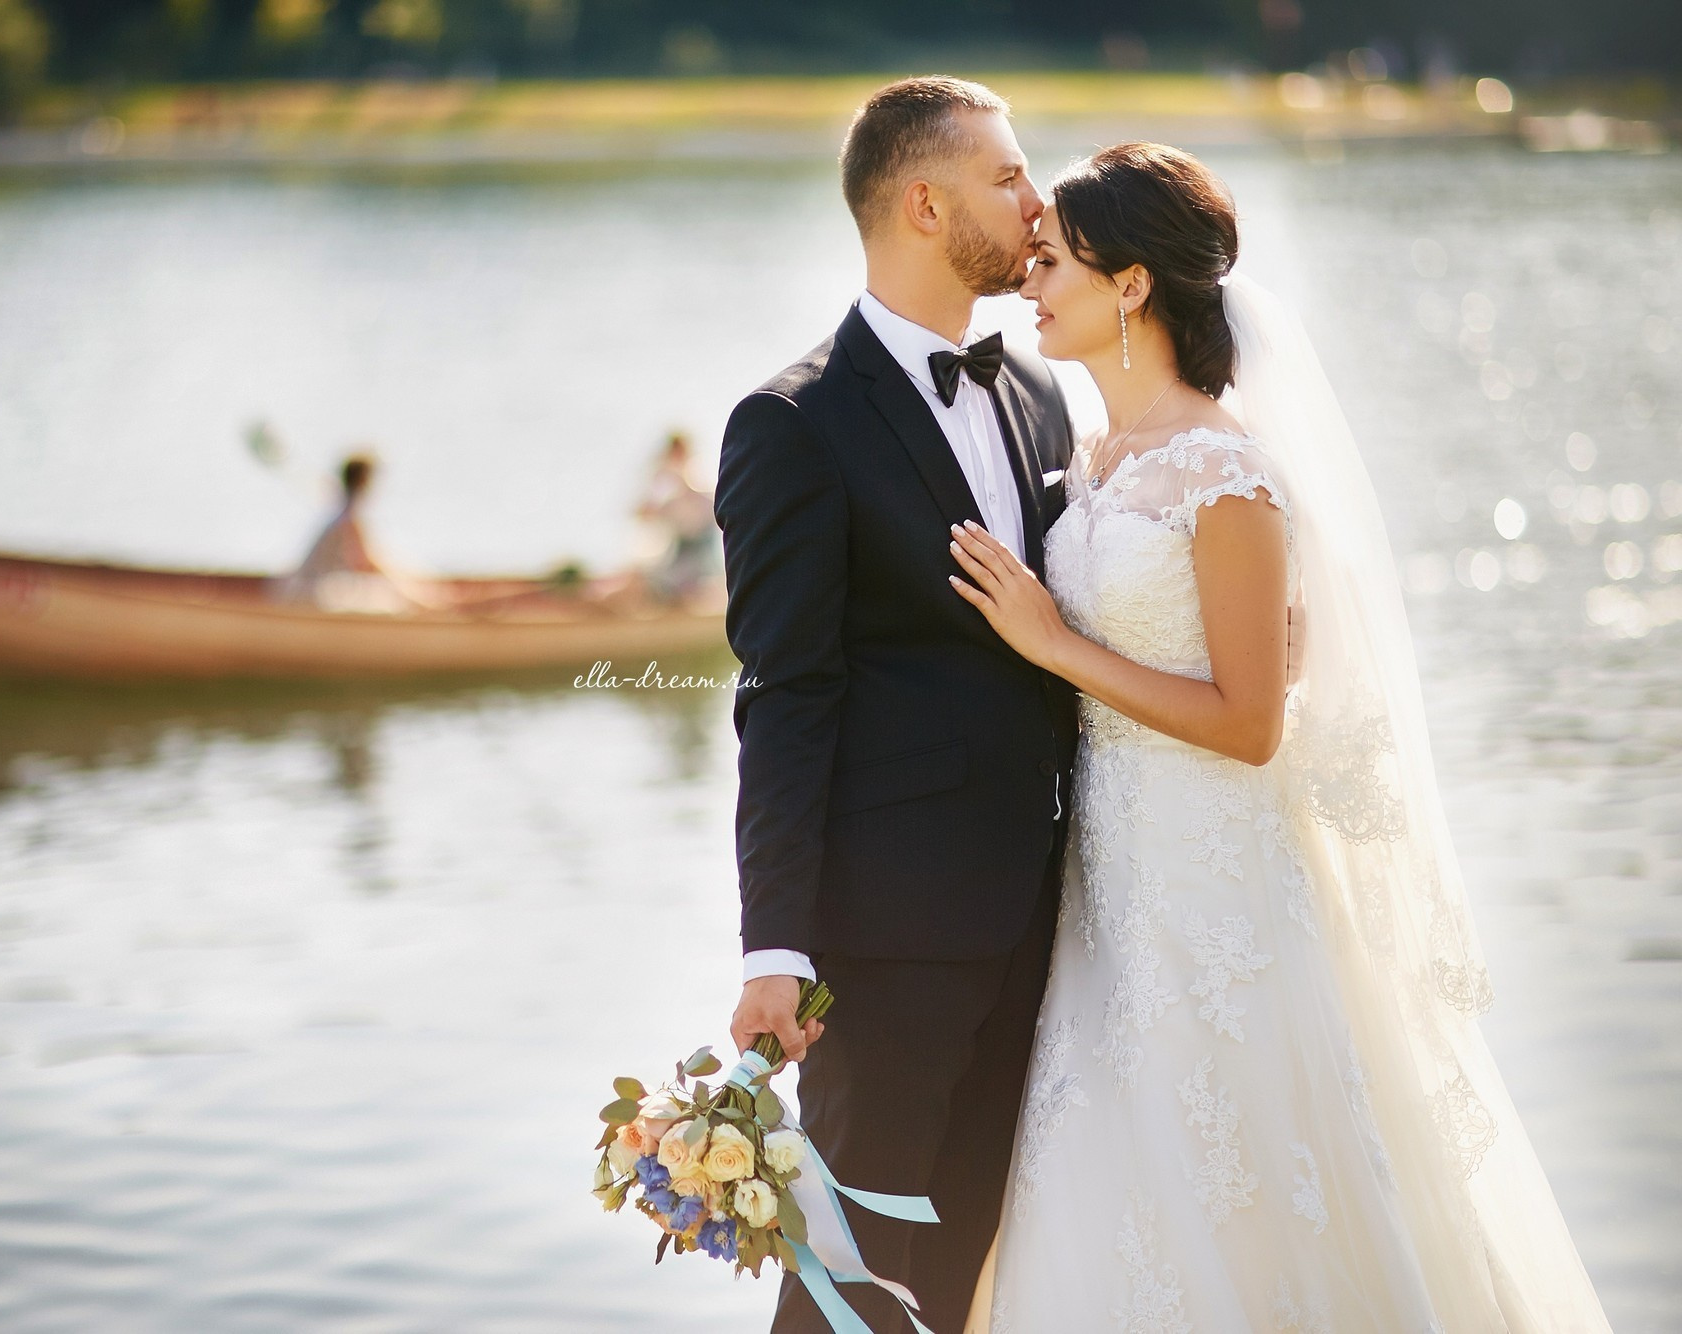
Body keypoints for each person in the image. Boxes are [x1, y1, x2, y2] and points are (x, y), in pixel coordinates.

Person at [948, 144, 1611, 1331]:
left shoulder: (1224, 473)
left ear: (1133, 283)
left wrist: (1053, 644)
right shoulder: (1088, 459)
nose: (1027, 285)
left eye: (1052, 263)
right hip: (1107, 884)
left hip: (1219, 881)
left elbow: (1250, 724)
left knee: (1253, 1184)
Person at [715, 77, 1078, 1334]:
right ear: (924, 202)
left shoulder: (1034, 389)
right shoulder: (791, 423)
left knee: (966, 1271)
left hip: (1050, 919)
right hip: (885, 946)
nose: (1036, 205)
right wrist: (774, 946)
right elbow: (785, 693)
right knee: (847, 1289)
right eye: (1008, 177)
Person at [279, 453, 415, 614]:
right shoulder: (351, 519)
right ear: (365, 481)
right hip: (312, 598)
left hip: (303, 593)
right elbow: (369, 565)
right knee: (387, 599)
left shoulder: (344, 514)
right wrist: (422, 598)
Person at [636, 431, 719, 603]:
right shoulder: (671, 499)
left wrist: (678, 478)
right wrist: (655, 483)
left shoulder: (701, 488)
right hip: (674, 567)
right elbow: (643, 514)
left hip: (699, 570)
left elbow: (703, 514)